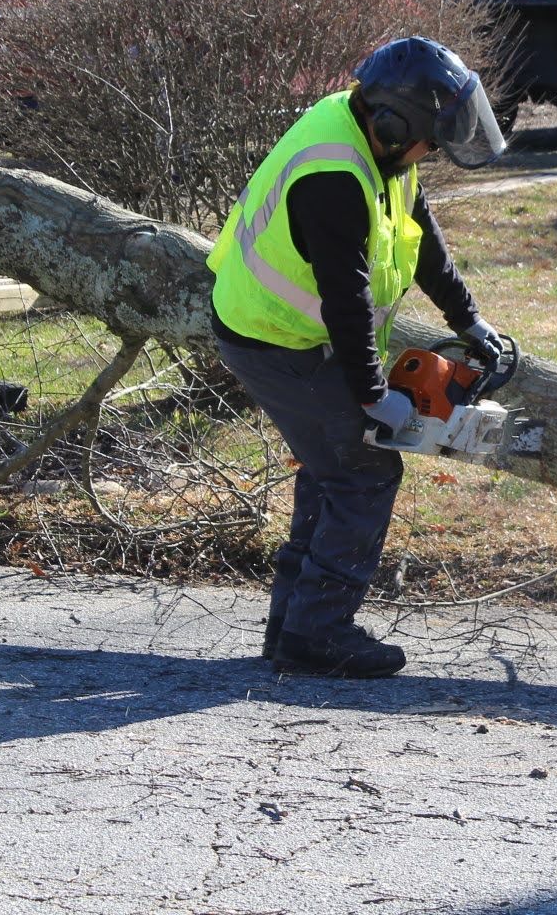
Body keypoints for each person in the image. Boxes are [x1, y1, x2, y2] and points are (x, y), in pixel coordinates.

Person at [208, 37, 510, 678]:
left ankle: (292, 624)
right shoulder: (334, 177)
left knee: (330, 466)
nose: (432, 154)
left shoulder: (380, 146)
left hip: (297, 333)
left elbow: (419, 233)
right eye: (432, 140)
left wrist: (469, 320)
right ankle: (318, 634)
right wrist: (376, 396)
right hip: (273, 337)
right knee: (365, 469)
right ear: (398, 126)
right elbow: (345, 298)